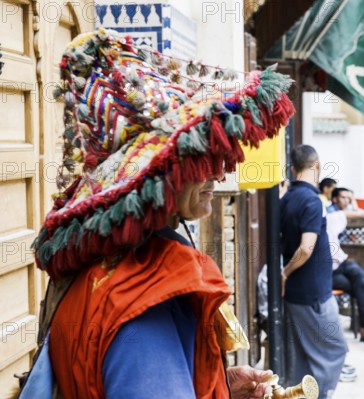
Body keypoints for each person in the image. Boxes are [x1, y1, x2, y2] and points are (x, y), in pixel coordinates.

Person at [19, 30, 295, 398]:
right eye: (200, 158)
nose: (217, 172)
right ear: (159, 180)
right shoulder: (147, 293)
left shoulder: (101, 273)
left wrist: (215, 385)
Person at [280, 145, 348, 399]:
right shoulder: (311, 200)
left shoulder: (287, 198)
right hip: (313, 294)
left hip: (300, 292)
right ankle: (320, 395)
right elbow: (306, 248)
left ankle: (301, 395)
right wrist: (286, 272)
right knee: (335, 351)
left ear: (294, 168)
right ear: (317, 165)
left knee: (304, 357)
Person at [326, 189, 364, 343]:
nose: (346, 201)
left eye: (349, 198)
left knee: (362, 279)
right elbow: (347, 214)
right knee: (361, 286)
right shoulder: (328, 213)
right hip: (326, 270)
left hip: (341, 262)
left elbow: (349, 212)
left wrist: (361, 211)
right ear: (334, 199)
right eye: (343, 197)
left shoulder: (336, 214)